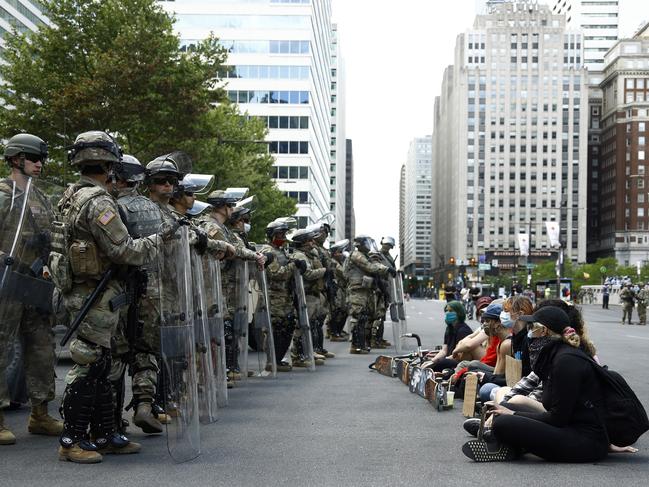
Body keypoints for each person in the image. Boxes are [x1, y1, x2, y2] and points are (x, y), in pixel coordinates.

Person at [54, 131, 171, 463]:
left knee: (106, 363)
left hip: (87, 291)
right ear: (109, 164)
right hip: (96, 294)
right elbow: (123, 251)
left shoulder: (71, 194)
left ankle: (105, 433)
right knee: (90, 365)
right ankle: (72, 439)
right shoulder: (98, 201)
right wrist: (159, 239)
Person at [462, 306, 609, 463]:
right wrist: (509, 410)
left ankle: (502, 439)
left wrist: (512, 415)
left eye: (531, 327)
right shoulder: (556, 356)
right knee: (508, 406)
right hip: (569, 428)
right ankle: (508, 443)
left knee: (504, 421)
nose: (529, 333)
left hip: (584, 441)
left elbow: (558, 419)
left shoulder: (566, 361)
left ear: (544, 331)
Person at [0, 133, 62, 445]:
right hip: (8, 280)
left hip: (37, 281)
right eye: (33, 158)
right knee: (0, 345)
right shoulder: (3, 193)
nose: (39, 164)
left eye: (41, 159)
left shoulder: (41, 198)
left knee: (42, 346)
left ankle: (40, 412)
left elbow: (53, 236)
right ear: (15, 159)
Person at [259, 218, 299, 371]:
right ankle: (272, 361)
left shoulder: (281, 251)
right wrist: (292, 266)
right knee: (276, 329)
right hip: (273, 297)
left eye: (284, 233)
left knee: (288, 327)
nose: (283, 236)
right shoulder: (268, 252)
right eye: (279, 233)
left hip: (285, 296)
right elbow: (276, 273)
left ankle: (279, 358)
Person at [343, 235, 392, 354]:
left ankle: (362, 344)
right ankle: (356, 346)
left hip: (364, 290)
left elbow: (374, 264)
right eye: (367, 243)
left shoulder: (364, 255)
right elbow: (370, 267)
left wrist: (385, 269)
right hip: (357, 291)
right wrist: (387, 270)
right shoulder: (357, 255)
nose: (369, 245)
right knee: (358, 317)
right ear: (362, 244)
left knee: (364, 317)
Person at [425, 301, 472, 372]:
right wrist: (432, 361)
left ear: (459, 313)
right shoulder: (449, 328)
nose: (447, 313)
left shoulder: (463, 330)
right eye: (446, 311)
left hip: (460, 362)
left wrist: (440, 360)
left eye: (451, 311)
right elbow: (444, 350)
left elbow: (458, 356)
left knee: (440, 364)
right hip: (450, 358)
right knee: (428, 362)